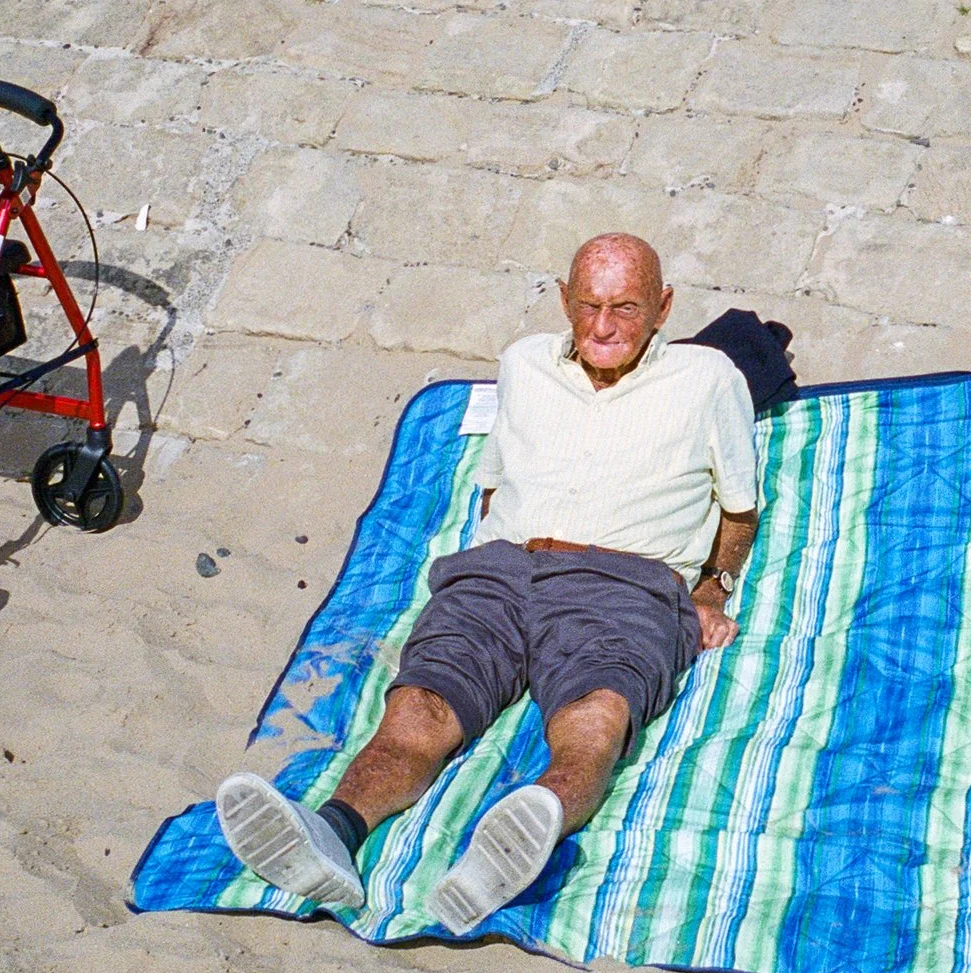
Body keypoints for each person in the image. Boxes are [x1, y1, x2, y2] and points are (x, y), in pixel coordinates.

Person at [214, 232, 761, 932]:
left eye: (626, 307)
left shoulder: (707, 378)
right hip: (503, 568)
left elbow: (739, 511)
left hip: (624, 580)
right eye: (588, 304)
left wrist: (712, 586)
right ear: (564, 299)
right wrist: (482, 570)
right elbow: (491, 487)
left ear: (664, 308)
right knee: (420, 706)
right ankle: (333, 834)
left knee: (594, 716)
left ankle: (513, 844)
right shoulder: (523, 363)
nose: (602, 326)